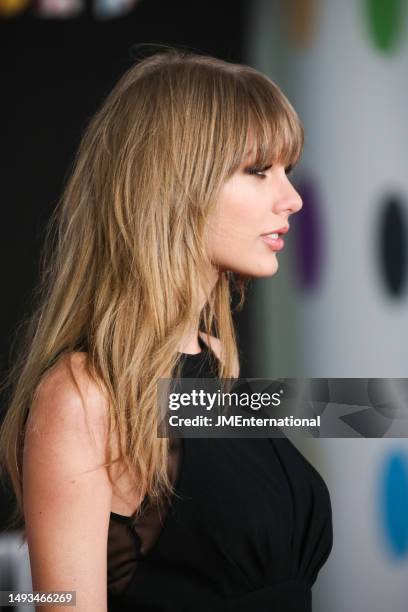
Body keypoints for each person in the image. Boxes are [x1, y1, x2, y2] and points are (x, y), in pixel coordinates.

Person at [0, 47, 332, 611]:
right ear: (176, 186)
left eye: (287, 172)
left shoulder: (212, 358)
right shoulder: (84, 397)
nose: (292, 199)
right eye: (258, 172)